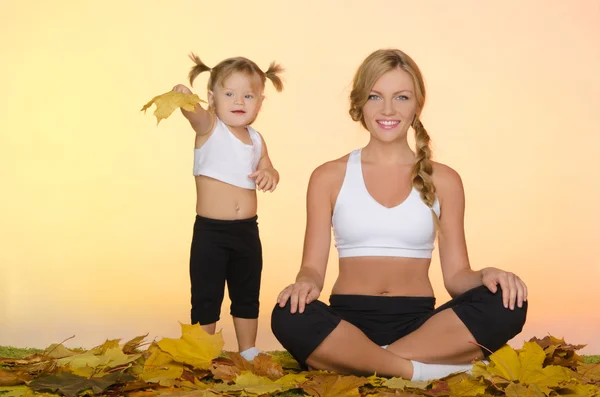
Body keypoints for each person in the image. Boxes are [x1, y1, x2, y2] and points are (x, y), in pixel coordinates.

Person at [271, 49, 527, 381]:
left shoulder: (445, 180)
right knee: (287, 315)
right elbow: (311, 268)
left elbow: (457, 277)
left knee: (509, 303)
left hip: (421, 326)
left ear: (417, 104)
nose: (388, 110)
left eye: (401, 97)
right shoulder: (328, 176)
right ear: (360, 103)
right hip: (347, 323)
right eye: (375, 96)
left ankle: (358, 362)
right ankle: (417, 371)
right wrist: (303, 284)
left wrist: (485, 276)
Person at [172, 53, 284, 361]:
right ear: (212, 98)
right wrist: (184, 99)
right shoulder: (210, 128)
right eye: (229, 93)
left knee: (246, 293)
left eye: (248, 95)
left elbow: (268, 166)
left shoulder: (257, 139)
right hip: (212, 232)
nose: (239, 101)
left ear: (260, 102)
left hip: (247, 231)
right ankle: (203, 349)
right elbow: (194, 114)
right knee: (207, 294)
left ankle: (247, 349)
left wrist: (269, 174)